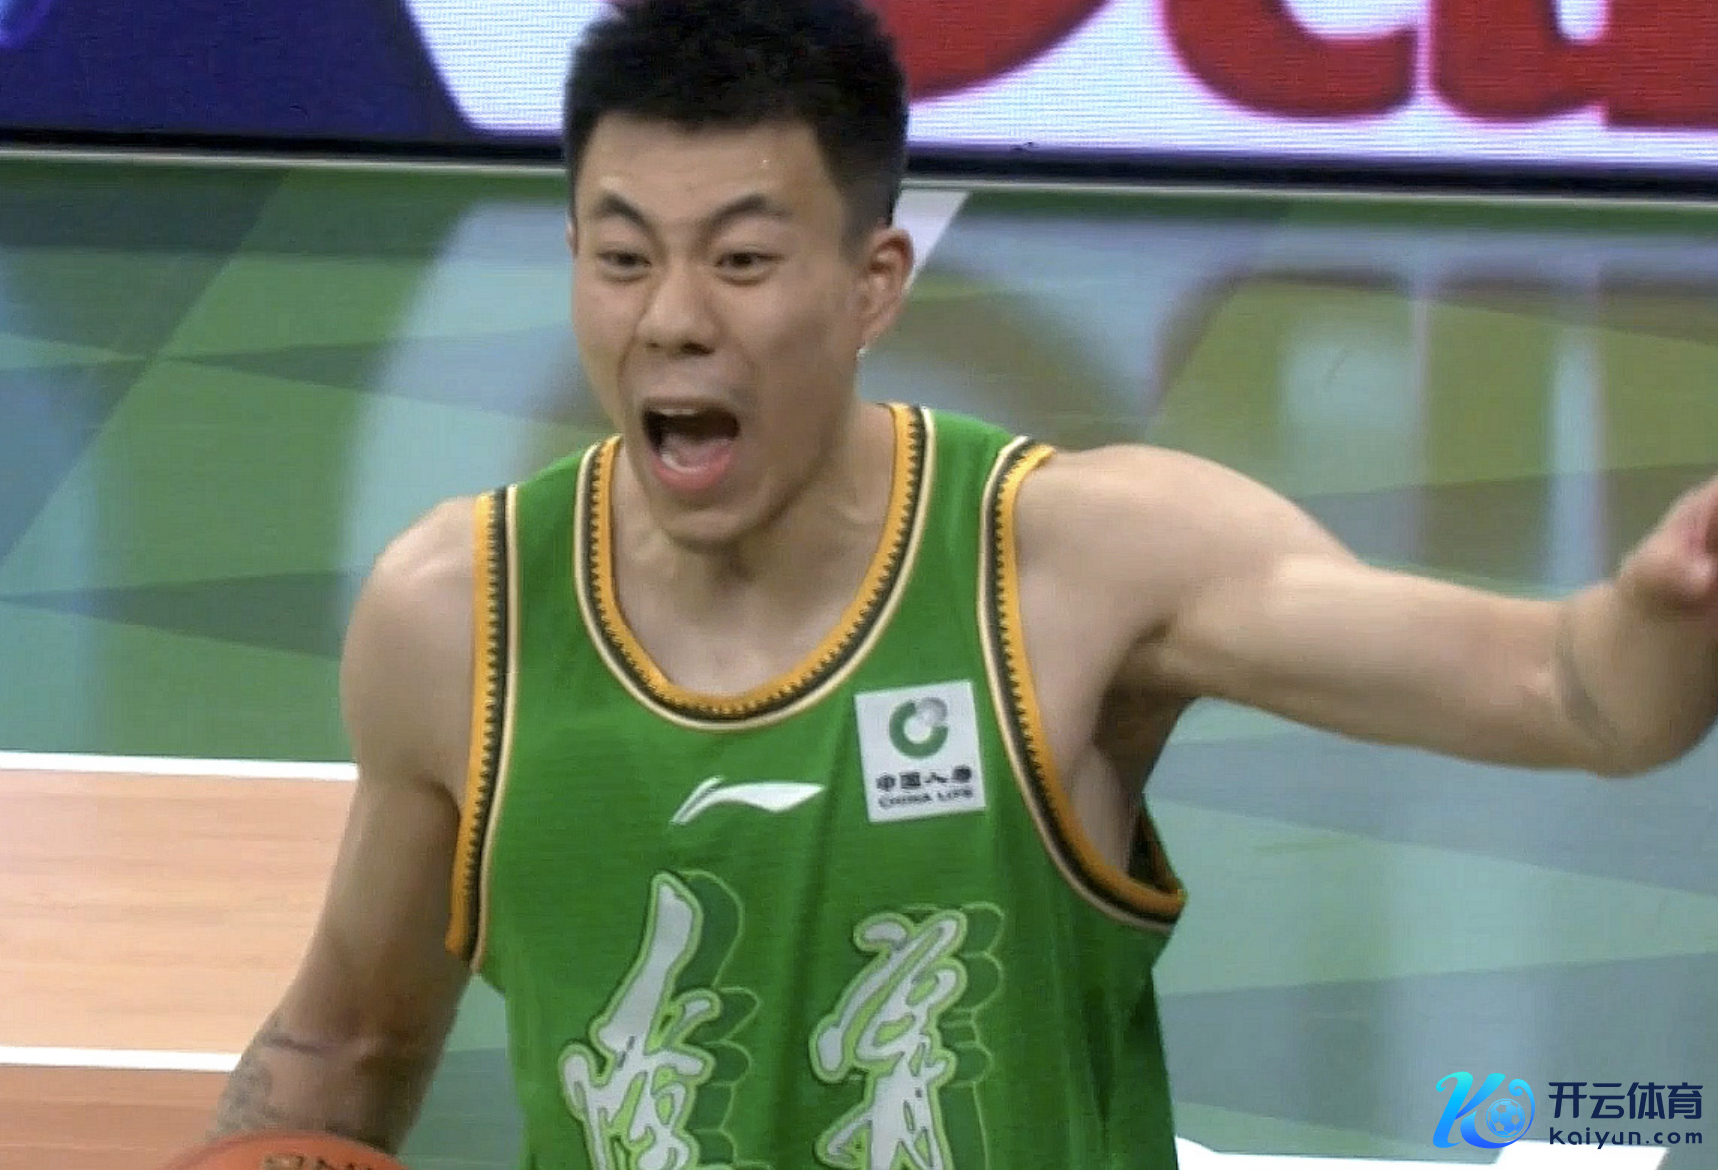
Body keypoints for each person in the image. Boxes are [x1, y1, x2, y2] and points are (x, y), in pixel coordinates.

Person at [205, 0, 1718, 1165]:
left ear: (874, 283)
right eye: (622, 258)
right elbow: (343, 1050)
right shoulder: (457, 616)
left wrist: (1666, 605)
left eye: (741, 261)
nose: (671, 318)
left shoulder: (1078, 566)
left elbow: (1574, 692)